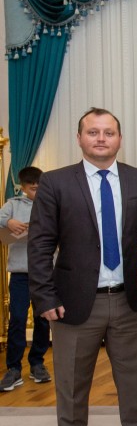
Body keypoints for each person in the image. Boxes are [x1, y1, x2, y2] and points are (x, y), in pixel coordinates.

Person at [28, 107, 137, 426]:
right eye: (93, 132)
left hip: (130, 302)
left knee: (134, 386)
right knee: (72, 387)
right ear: (79, 138)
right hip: (73, 305)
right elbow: (40, 244)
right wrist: (44, 297)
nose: (101, 139)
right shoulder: (55, 182)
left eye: (109, 132)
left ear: (119, 139)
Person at [0, 167, 51, 391]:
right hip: (20, 274)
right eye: (33, 189)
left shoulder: (50, 204)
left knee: (43, 319)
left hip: (45, 274)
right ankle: (13, 368)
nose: (37, 192)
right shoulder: (12, 205)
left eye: (40, 188)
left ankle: (37, 363)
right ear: (23, 187)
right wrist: (8, 222)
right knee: (18, 319)